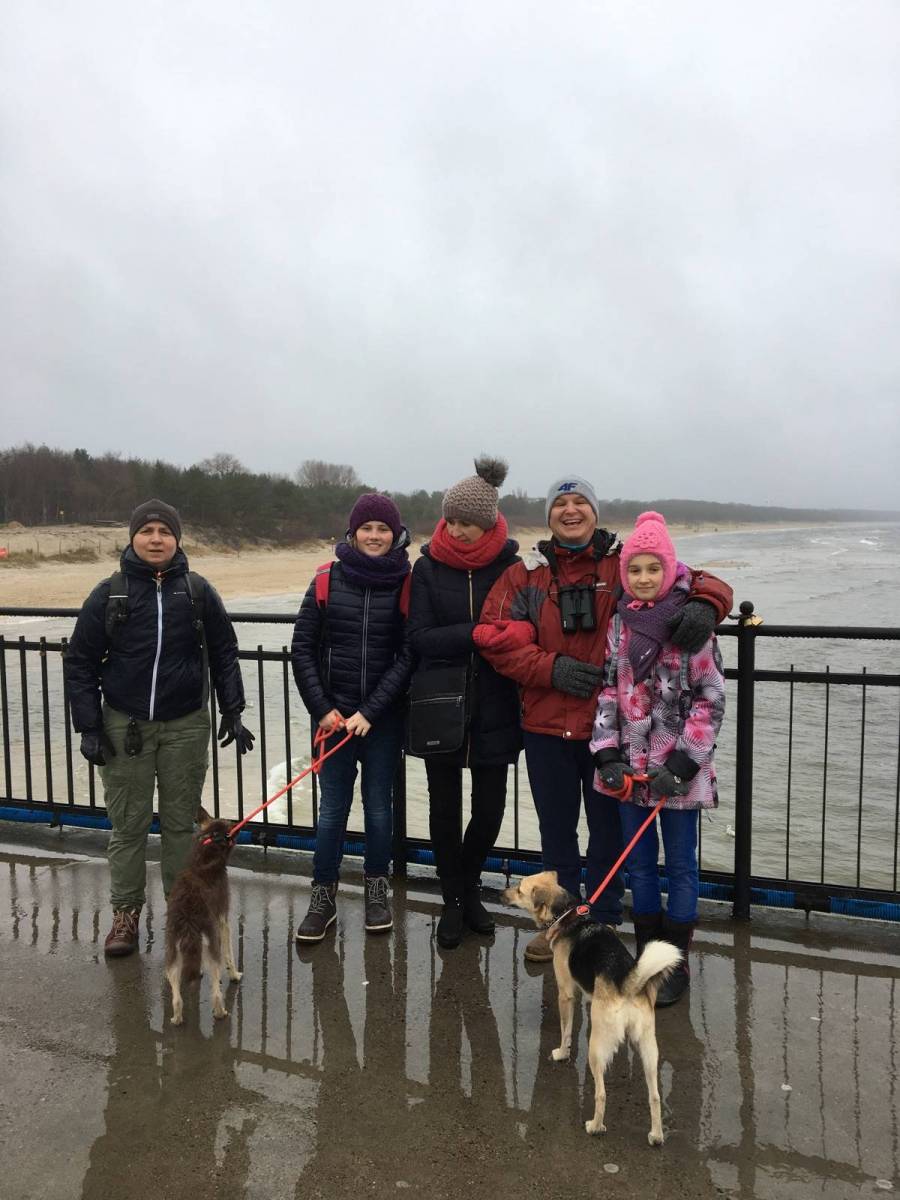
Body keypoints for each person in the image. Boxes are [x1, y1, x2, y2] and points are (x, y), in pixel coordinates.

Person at [475, 476, 733, 962]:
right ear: (548, 515)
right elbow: (493, 637)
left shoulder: (622, 565)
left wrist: (707, 604)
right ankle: (560, 925)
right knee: (556, 833)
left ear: (595, 512)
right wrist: (549, 668)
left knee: (610, 836)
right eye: (560, 503)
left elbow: (689, 578)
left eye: (580, 502)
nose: (570, 510)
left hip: (608, 734)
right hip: (546, 725)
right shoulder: (525, 575)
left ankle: (605, 919)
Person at [64, 498, 254, 957]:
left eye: (164, 532)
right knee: (128, 825)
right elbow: (81, 661)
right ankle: (125, 915)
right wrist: (89, 726)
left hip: (186, 724)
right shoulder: (109, 593)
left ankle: (182, 915)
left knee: (180, 826)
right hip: (123, 724)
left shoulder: (197, 591)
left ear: (177, 539)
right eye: (146, 531)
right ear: (133, 537)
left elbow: (224, 652)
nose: (155, 539)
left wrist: (233, 710)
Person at [590, 511, 725, 1005]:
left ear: (669, 569)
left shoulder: (691, 626)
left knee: (682, 866)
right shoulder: (620, 623)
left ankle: (674, 961)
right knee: (640, 866)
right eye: (635, 569)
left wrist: (685, 764)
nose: (644, 578)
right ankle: (647, 954)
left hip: (678, 774)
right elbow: (609, 689)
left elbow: (710, 700)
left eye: (653, 568)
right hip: (632, 769)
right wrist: (607, 753)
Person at [407, 457, 525, 949]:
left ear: (488, 522)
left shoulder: (513, 567)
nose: (455, 530)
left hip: (498, 703)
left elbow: (525, 629)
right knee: (443, 810)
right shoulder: (427, 567)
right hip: (441, 703)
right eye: (450, 520)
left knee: (490, 809)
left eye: (466, 523)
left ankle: (468, 884)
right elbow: (420, 637)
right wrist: (475, 634)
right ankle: (453, 899)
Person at [291, 493, 414, 941]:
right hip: (332, 720)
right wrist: (322, 708)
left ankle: (376, 890)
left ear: (396, 535)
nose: (375, 536)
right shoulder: (326, 579)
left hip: (381, 721)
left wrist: (370, 711)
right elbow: (302, 648)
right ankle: (322, 895)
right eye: (367, 528)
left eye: (383, 529)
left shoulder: (407, 583)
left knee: (379, 809)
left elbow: (408, 655)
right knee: (331, 811)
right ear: (353, 532)